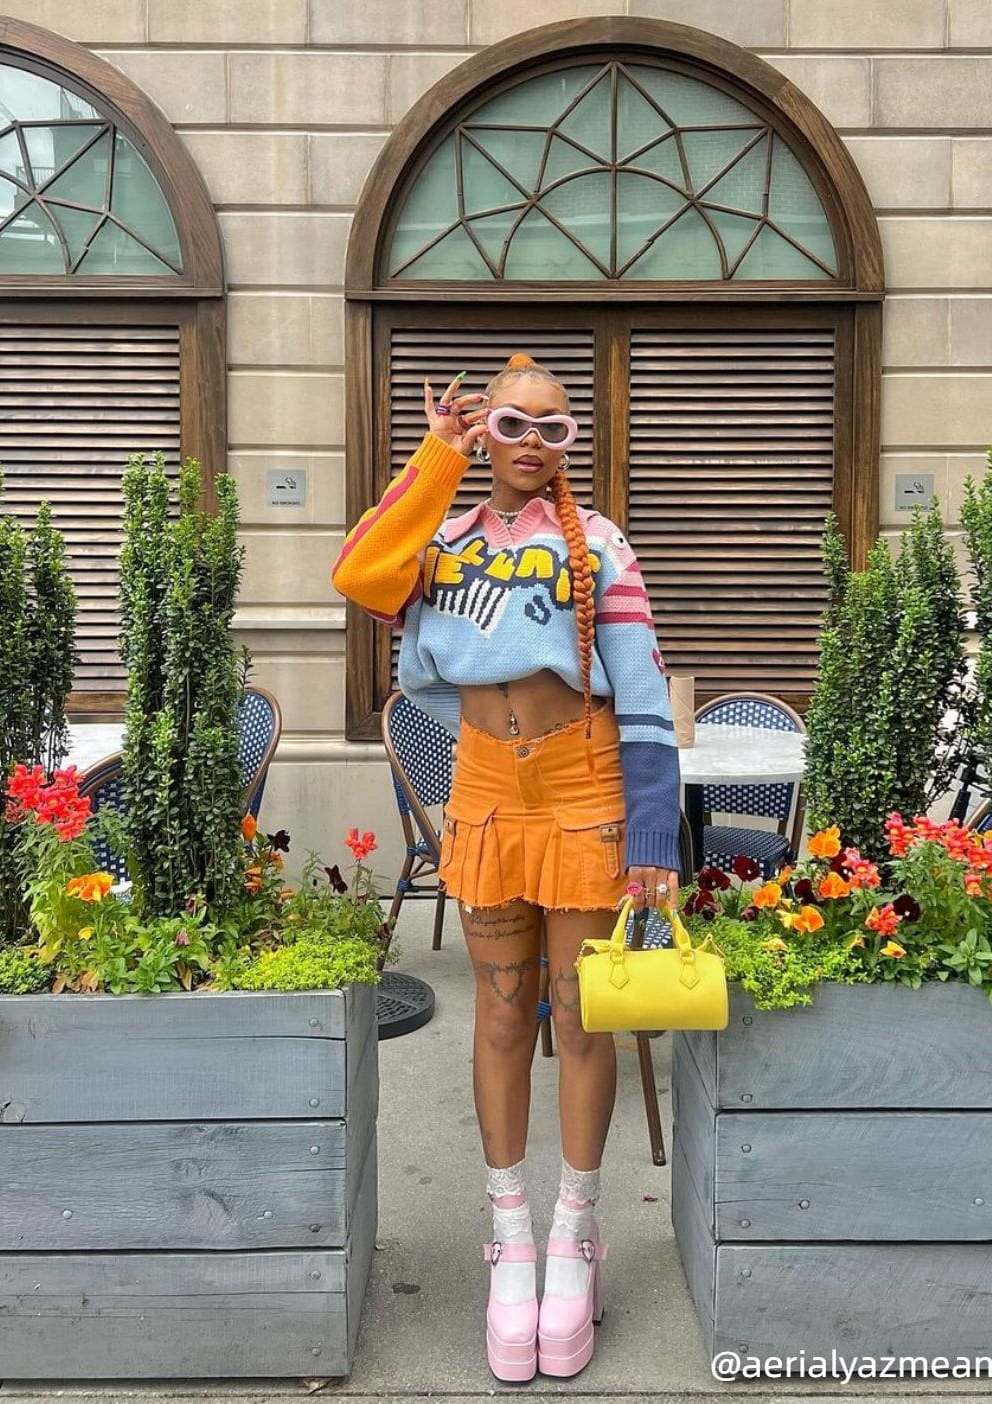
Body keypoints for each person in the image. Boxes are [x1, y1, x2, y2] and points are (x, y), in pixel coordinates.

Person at [331, 352, 681, 1382]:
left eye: (552, 427)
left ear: (571, 440)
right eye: (511, 424)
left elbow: (643, 691)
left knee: (579, 1017)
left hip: (585, 787)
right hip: (486, 787)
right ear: (484, 432)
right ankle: (510, 1236)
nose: (532, 444)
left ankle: (575, 1232)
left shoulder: (599, 544)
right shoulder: (438, 537)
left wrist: (653, 837)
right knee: (496, 1015)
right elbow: (359, 573)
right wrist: (436, 456)